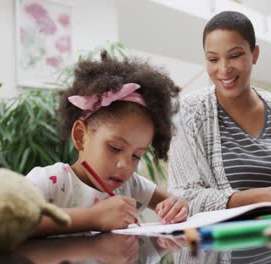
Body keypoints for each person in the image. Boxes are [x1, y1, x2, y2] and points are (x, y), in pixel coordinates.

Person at [168, 11, 271, 215]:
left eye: (234, 55)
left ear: (255, 54)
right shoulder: (188, 111)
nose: (224, 68)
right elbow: (184, 197)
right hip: (229, 245)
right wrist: (267, 195)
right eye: (213, 59)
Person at [26, 51, 188, 236]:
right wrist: (92, 218)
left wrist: (178, 206)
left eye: (136, 155)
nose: (125, 165)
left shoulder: (130, 185)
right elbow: (14, 219)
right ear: (81, 136)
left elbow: (171, 202)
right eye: (115, 148)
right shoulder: (51, 181)